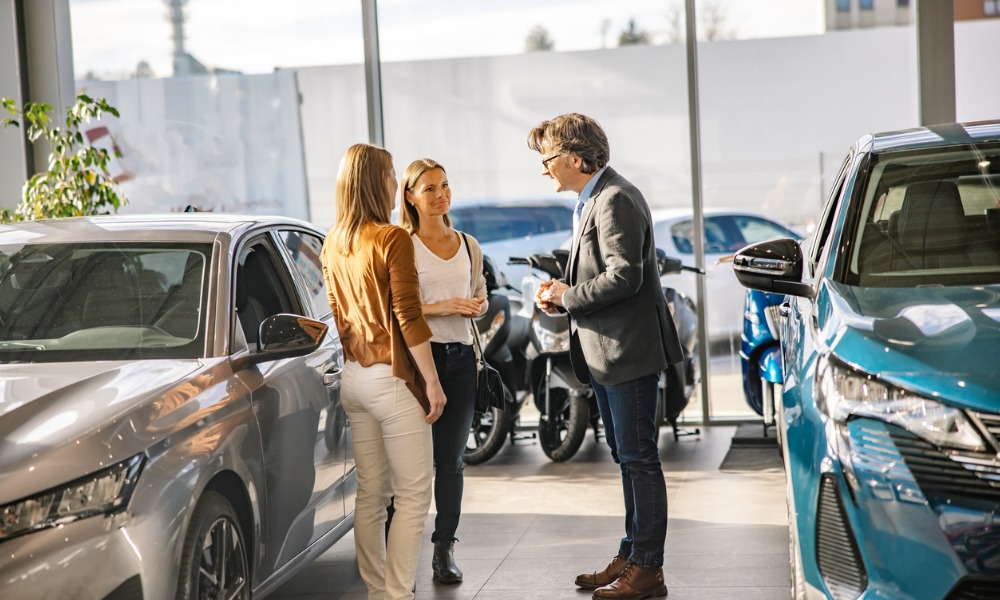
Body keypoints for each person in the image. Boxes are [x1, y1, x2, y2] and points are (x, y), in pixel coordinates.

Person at [528, 113, 683, 600]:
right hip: (610, 353)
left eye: (548, 159)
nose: (545, 169)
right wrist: (560, 291)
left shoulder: (614, 199)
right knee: (628, 457)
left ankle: (647, 570)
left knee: (639, 459)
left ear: (575, 158)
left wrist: (566, 296)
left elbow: (625, 276)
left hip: (627, 352)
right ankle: (632, 553)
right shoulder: (594, 198)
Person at [321, 143, 447, 600]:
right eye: (391, 174)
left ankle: (378, 591)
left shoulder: (333, 241)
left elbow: (339, 317)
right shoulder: (391, 237)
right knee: (413, 495)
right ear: (375, 181)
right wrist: (432, 382)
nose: (396, 182)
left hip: (355, 379)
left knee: (371, 495)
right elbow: (409, 317)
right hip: (392, 381)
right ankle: (396, 594)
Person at [399, 158, 487, 584]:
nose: (441, 195)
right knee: (411, 464)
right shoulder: (404, 245)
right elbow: (398, 309)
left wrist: (476, 306)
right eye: (430, 188)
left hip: (462, 359)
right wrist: (444, 307)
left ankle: (443, 550)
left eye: (445, 186)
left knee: (451, 460)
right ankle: (398, 552)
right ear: (411, 196)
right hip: (419, 362)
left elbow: (480, 293)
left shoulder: (469, 244)